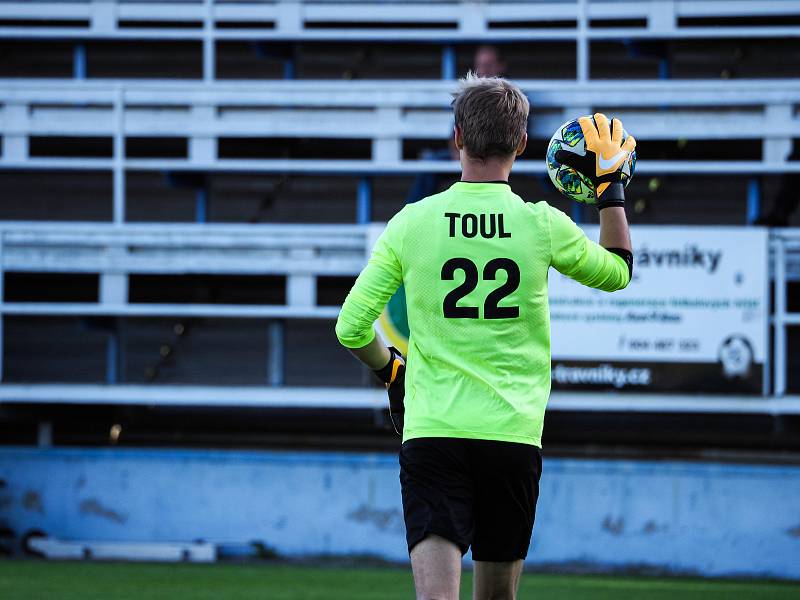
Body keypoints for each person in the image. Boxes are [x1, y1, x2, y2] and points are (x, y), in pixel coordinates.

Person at [335, 72, 635, 600]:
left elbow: (351, 326)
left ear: (457, 137)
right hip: (511, 436)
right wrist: (610, 190)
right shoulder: (542, 223)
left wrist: (391, 372)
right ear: (521, 143)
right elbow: (617, 272)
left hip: (432, 432)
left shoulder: (413, 222)